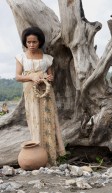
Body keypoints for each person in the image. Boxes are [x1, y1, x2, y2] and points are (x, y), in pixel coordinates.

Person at [15, 26, 66, 166]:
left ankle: (51, 156)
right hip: (31, 93)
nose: (31, 45)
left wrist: (49, 77)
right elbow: (18, 77)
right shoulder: (21, 57)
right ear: (25, 42)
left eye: (34, 42)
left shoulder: (47, 58)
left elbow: (52, 76)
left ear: (40, 42)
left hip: (46, 93)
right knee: (35, 120)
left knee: (48, 120)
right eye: (28, 42)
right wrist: (31, 77)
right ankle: (37, 156)